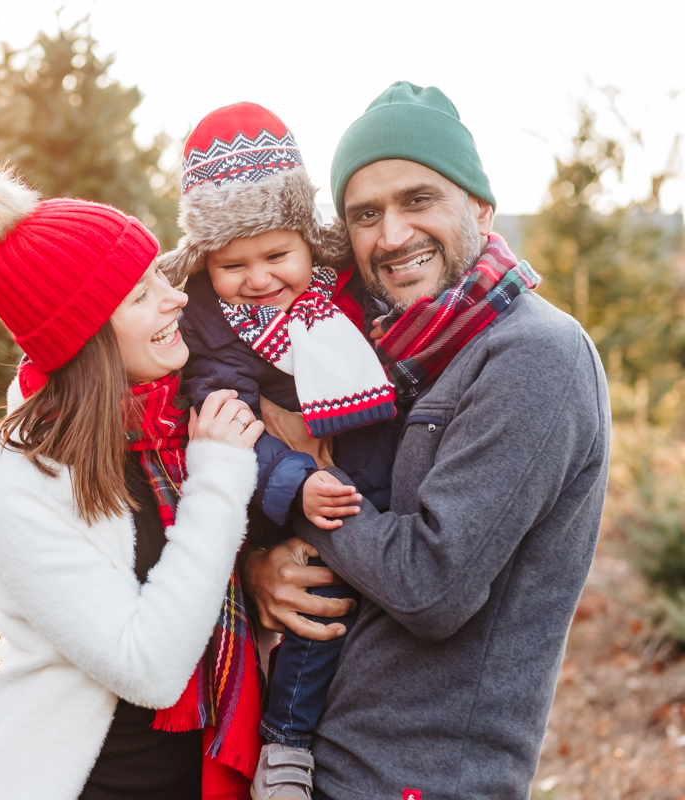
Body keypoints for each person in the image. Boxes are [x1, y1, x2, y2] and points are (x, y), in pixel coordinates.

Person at [243, 81, 612, 800]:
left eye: (419, 200)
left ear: (479, 206)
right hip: (330, 763)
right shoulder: (392, 354)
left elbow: (429, 586)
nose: (391, 236)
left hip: (420, 780)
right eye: (365, 214)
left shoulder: (534, 355)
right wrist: (266, 572)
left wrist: (298, 484)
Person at [0, 166, 266, 800]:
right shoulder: (20, 476)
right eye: (140, 296)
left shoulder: (178, 419)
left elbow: (220, 577)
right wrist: (218, 482)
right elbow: (150, 670)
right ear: (84, 339)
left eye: (159, 275)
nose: (175, 298)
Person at [157, 102, 400, 800]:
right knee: (313, 597)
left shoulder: (344, 297)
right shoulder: (210, 323)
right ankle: (285, 747)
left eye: (275, 257)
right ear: (207, 261)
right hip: (279, 498)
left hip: (366, 476)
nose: (258, 280)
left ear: (306, 241)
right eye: (232, 264)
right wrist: (293, 484)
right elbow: (224, 416)